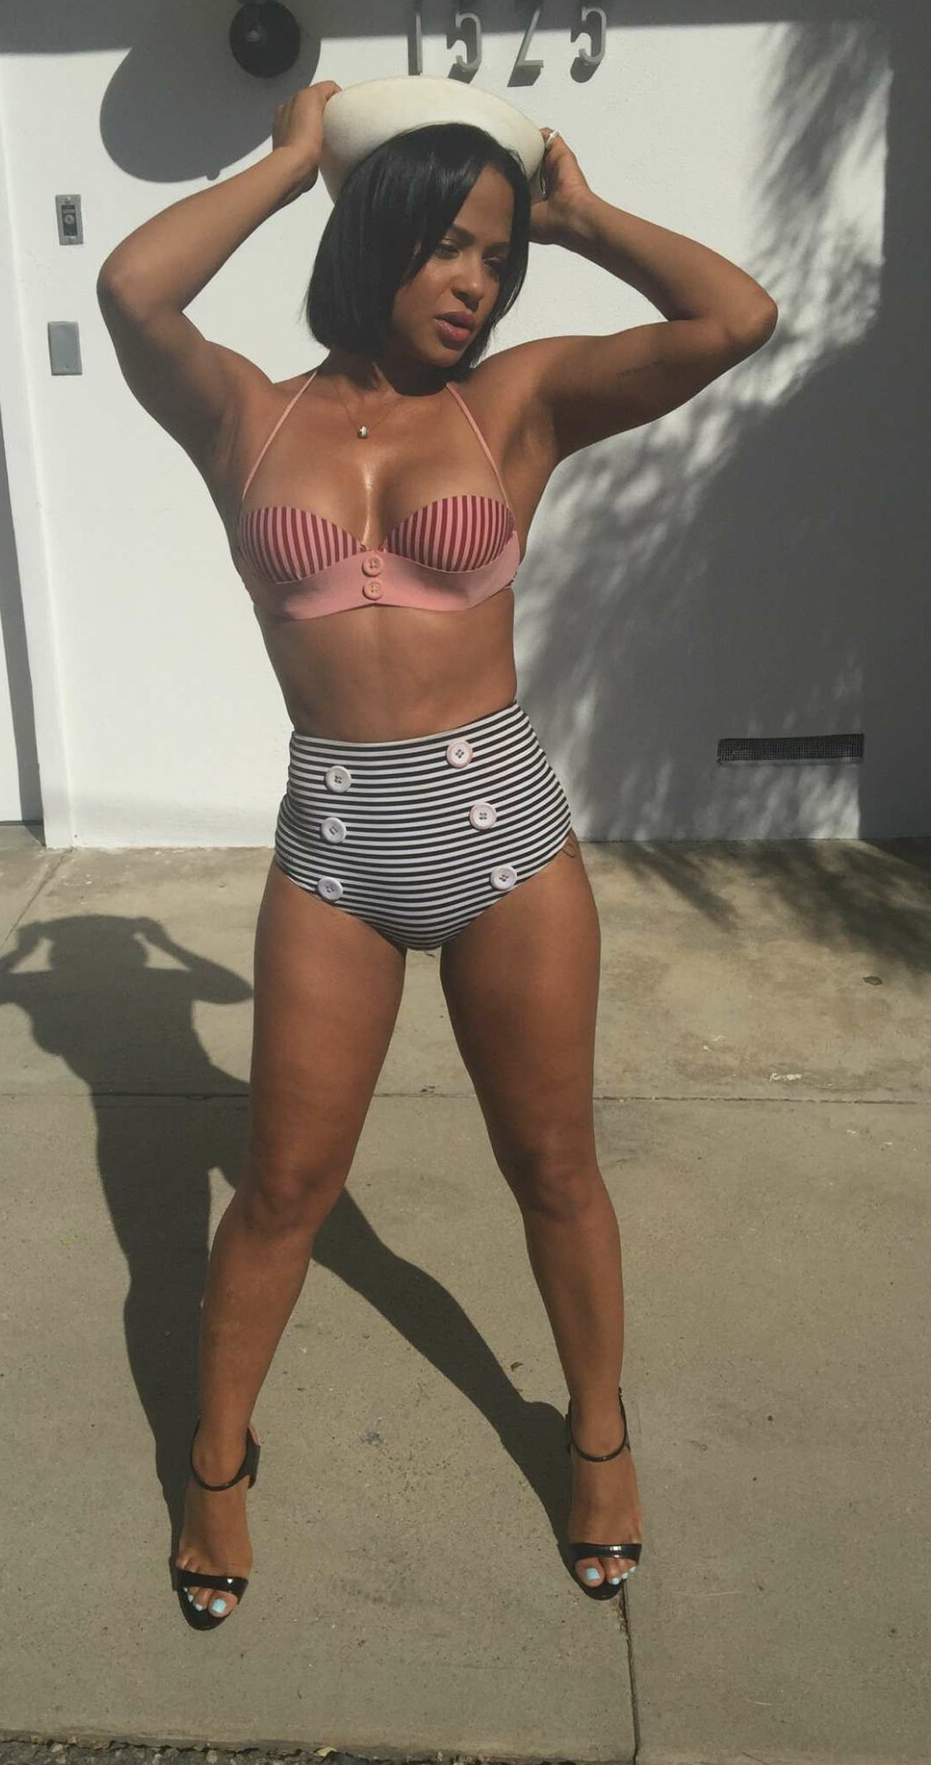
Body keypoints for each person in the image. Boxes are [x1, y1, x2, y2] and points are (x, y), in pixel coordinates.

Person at [97, 79, 778, 1629]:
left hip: (505, 842)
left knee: (553, 1167)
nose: (479, 281)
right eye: (452, 246)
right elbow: (133, 289)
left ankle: (596, 1438)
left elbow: (734, 318)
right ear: (377, 236)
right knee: (283, 1187)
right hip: (335, 844)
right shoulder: (246, 414)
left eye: (499, 256)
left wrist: (580, 215)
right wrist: (291, 161)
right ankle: (216, 1463)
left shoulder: (514, 404)